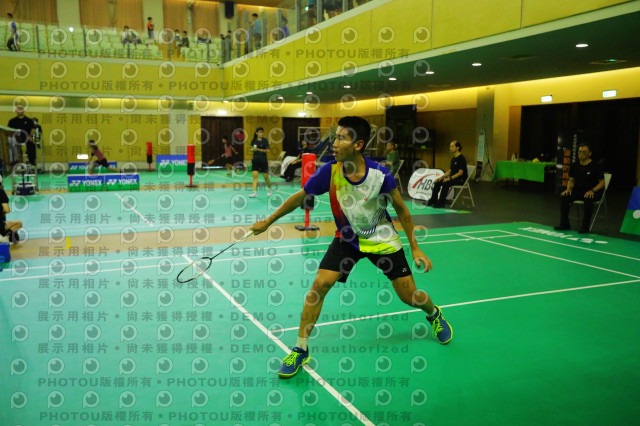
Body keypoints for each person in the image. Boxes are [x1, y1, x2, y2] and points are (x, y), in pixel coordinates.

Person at [250, 116, 452, 379]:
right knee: (319, 285)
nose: (334, 143)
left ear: (358, 145)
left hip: (382, 240)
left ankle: (434, 314)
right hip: (347, 238)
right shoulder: (330, 171)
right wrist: (268, 221)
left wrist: (414, 248)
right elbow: (300, 196)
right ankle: (300, 349)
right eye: (335, 137)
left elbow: (402, 211)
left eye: (341, 138)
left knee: (410, 296)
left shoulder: (380, 175)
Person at [554, 143, 605, 233]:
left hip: (593, 191)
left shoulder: (595, 165)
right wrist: (568, 189)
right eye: (580, 152)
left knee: (588, 198)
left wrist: (592, 190)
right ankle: (564, 224)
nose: (581, 154)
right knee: (565, 196)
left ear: (589, 153)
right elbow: (571, 180)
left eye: (584, 152)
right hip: (579, 191)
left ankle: (585, 227)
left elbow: (602, 182)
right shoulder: (574, 165)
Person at [427, 140, 467, 208]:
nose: (450, 148)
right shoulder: (453, 159)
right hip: (453, 178)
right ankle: (433, 200)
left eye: (452, 146)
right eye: (450, 146)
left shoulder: (461, 158)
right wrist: (441, 177)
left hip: (460, 180)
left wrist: (449, 178)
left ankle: (441, 203)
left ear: (457, 148)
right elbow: (450, 171)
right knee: (438, 181)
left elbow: (460, 173)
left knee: (446, 183)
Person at [248, 127, 273, 197]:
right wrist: (252, 149)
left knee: (266, 177)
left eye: (262, 132)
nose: (261, 133)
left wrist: (258, 149)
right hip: (255, 160)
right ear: (256, 133)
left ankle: (269, 189)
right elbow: (251, 148)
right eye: (260, 132)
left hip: (263, 161)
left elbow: (268, 150)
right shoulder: (253, 140)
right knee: (255, 177)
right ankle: (254, 192)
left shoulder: (265, 140)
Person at [0, 175, 23, 243]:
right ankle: (4, 237)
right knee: (19, 223)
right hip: (0, 225)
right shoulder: (1, 192)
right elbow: (7, 210)